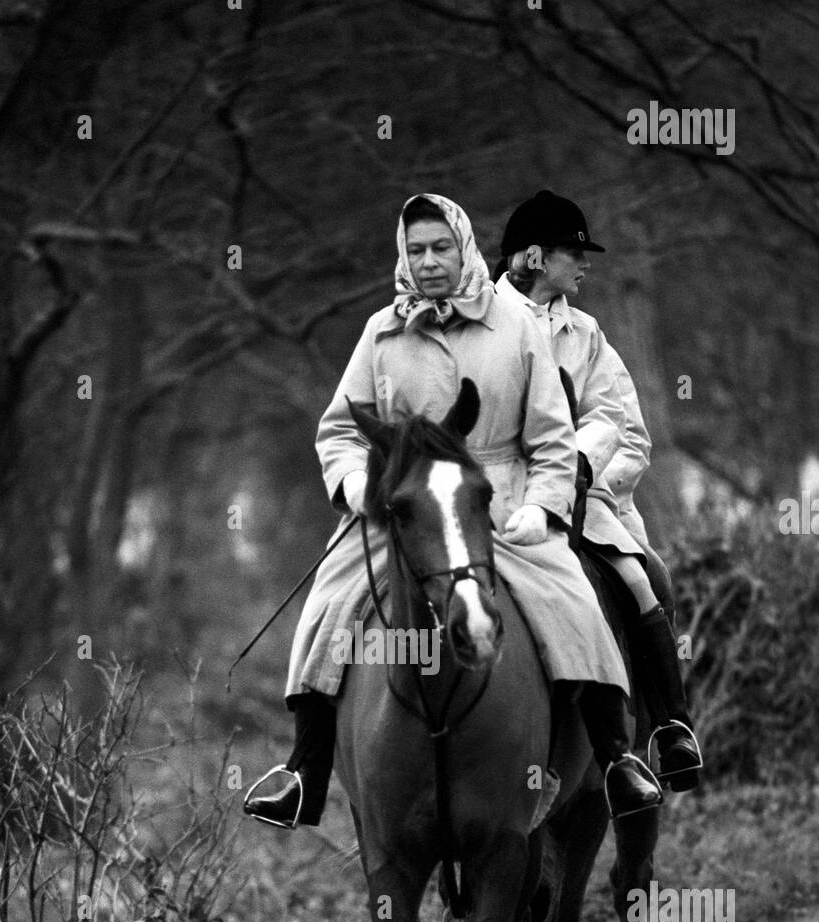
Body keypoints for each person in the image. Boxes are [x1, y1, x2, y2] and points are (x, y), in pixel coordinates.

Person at [244, 193, 663, 829]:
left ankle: (614, 757)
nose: (430, 261)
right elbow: (339, 430)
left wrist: (546, 510)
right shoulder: (380, 332)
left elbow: (553, 438)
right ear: (402, 255)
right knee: (327, 602)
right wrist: (356, 481)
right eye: (417, 250)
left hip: (503, 500)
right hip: (406, 507)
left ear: (463, 247)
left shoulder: (516, 325)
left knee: (575, 598)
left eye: (441, 247)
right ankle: (304, 769)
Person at [493, 189, 702, 791]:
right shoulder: (475, 318)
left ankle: (668, 727)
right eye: (572, 253)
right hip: (486, 499)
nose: (585, 264)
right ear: (534, 256)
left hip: (577, 499)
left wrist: (580, 472)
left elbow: (626, 430)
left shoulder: (585, 334)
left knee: (646, 580)